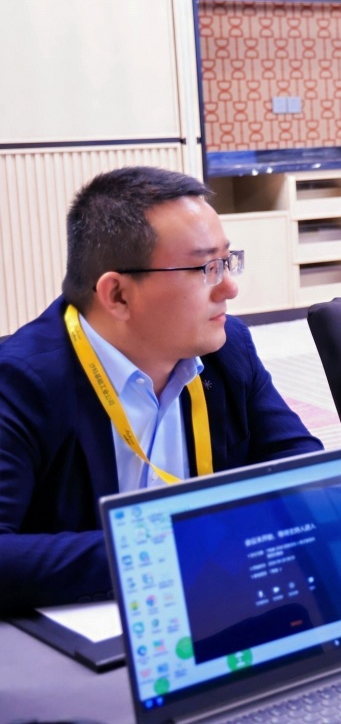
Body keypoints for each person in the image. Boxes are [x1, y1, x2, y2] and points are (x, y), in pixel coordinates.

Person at [0, 167, 321, 611]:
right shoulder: (21, 381)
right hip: (86, 627)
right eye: (206, 267)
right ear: (117, 295)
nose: (230, 287)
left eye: (227, 261)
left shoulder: (225, 350)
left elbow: (303, 468)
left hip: (217, 608)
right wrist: (169, 547)